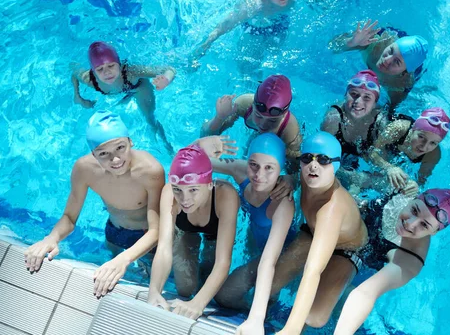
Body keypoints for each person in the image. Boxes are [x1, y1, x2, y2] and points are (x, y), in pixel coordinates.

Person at [24, 110, 165, 298]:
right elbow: (69, 217)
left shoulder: (150, 171)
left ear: (130, 142)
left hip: (146, 236)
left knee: (145, 278)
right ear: (93, 154)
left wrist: (125, 259)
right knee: (108, 267)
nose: (115, 159)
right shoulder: (84, 169)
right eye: (104, 153)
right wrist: (52, 238)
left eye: (120, 148)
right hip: (114, 229)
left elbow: (157, 229)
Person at [194, 134, 295, 334]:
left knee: (225, 296)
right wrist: (199, 145)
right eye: (254, 165)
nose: (259, 175)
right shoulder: (240, 170)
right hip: (257, 238)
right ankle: (259, 309)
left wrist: (255, 320)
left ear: (280, 171)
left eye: (269, 168)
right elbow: (191, 163)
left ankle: (265, 314)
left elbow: (269, 260)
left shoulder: (282, 202)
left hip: (283, 253)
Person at [269, 132, 368, 334]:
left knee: (315, 318)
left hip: (346, 249)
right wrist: (290, 179)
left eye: (323, 160)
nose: (314, 165)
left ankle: (345, 289)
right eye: (307, 158)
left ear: (336, 166)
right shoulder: (309, 175)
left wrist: (291, 329)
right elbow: (298, 173)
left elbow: (312, 271)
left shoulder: (331, 208)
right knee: (270, 285)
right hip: (313, 232)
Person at [334, 189, 450, 334]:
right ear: (412, 199)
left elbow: (365, 293)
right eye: (414, 210)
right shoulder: (402, 194)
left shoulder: (411, 260)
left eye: (424, 225)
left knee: (339, 302)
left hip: (363, 256)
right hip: (357, 224)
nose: (410, 224)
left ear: (434, 232)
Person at [191, 0, 324, 84]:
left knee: (275, 58)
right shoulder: (251, 6)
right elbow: (220, 28)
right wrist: (199, 53)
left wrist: (320, 2)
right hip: (254, 30)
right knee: (247, 70)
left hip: (280, 23)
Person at [146, 145, 239, 320]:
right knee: (185, 288)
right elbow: (164, 247)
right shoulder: (169, 193)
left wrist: (198, 304)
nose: (184, 199)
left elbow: (223, 262)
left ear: (210, 185)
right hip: (185, 230)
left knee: (212, 281)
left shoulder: (226, 196)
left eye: (193, 190)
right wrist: (154, 291)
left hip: (216, 233)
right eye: (178, 190)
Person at [71, 41, 176, 151]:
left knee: (150, 120)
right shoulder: (90, 80)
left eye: (111, 66)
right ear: (93, 71)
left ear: (119, 65)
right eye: (100, 69)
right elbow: (73, 71)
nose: (107, 72)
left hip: (139, 88)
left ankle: (167, 146)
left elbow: (169, 69)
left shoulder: (131, 72)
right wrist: (78, 97)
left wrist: (166, 80)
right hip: (123, 91)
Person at [201, 74, 302, 165]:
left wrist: (290, 178)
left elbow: (295, 165)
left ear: (284, 116)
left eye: (272, 121)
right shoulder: (243, 105)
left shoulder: (290, 131)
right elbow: (205, 136)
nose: (263, 124)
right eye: (258, 116)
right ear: (253, 106)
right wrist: (220, 117)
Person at [329, 20, 429, 110]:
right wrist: (351, 42)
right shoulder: (375, 44)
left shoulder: (398, 86)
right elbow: (332, 45)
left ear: (404, 72)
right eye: (391, 50)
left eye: (396, 62)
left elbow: (390, 111)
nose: (387, 60)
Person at [320, 69, 389, 192]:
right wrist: (349, 177)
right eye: (354, 94)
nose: (358, 102)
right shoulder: (333, 120)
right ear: (345, 95)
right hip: (339, 155)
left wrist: (360, 181)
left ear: (374, 104)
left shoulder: (379, 124)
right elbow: (321, 161)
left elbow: (382, 168)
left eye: (367, 97)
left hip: (363, 157)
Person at [369, 107, 450, 197]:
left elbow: (421, 180)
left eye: (433, 143)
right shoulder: (398, 128)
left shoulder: (433, 154)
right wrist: (389, 167)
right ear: (413, 129)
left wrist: (416, 186)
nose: (424, 146)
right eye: (421, 137)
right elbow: (372, 153)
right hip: (384, 129)